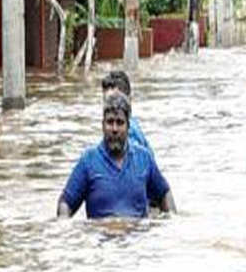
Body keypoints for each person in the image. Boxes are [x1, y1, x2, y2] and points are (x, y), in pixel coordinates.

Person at [56, 91, 176, 219]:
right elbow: (66, 203)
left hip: (137, 236)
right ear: (102, 125)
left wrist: (171, 221)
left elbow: (164, 193)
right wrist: (65, 228)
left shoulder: (144, 158)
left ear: (128, 126)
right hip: (100, 237)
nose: (114, 129)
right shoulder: (88, 161)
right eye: (110, 122)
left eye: (120, 123)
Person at [101, 71, 153, 156]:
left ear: (129, 99)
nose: (111, 105)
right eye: (106, 101)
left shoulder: (130, 134)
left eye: (115, 100)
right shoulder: (133, 124)